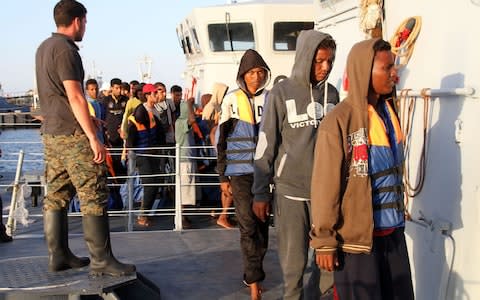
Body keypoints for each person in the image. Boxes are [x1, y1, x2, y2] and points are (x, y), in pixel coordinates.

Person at [35, 0, 135, 276]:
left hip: (52, 135)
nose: (85, 28)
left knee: (56, 194)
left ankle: (59, 255)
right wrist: (93, 136)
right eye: (86, 22)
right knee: (93, 192)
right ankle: (102, 260)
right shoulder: (67, 51)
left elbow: (54, 97)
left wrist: (88, 118)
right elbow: (75, 95)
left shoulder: (43, 48)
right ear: (77, 21)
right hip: (73, 136)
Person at [310, 38, 414, 300]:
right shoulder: (338, 121)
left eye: (394, 67)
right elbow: (326, 187)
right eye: (387, 68)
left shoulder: (388, 115)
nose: (394, 74)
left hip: (392, 235)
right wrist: (324, 242)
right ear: (364, 71)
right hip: (357, 245)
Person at [252, 30, 339, 299]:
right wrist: (260, 192)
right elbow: (266, 144)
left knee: (328, 266)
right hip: (290, 192)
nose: (325, 67)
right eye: (319, 61)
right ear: (305, 58)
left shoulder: (333, 95)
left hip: (326, 196)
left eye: (330, 61)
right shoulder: (280, 93)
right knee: (294, 266)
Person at [217, 49, 271, 300]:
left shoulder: (271, 99)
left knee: (262, 228)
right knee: (247, 227)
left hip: (265, 174)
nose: (257, 77)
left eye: (261, 72)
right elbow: (222, 141)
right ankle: (253, 282)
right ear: (243, 75)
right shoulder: (231, 100)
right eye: (252, 72)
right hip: (239, 174)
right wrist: (223, 177)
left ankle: (253, 270)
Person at [126, 84, 164, 227]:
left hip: (153, 153)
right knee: (149, 185)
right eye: (155, 93)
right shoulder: (140, 112)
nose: (158, 95)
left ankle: (145, 213)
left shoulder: (156, 110)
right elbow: (131, 136)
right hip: (143, 154)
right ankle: (142, 215)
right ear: (148, 95)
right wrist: (131, 153)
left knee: (156, 183)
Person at [201, 83, 235, 229]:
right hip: (220, 152)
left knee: (225, 187)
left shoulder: (217, 108)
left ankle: (223, 214)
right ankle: (224, 215)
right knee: (229, 187)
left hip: (218, 152)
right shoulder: (214, 109)